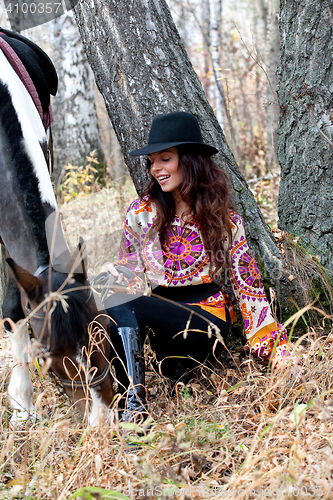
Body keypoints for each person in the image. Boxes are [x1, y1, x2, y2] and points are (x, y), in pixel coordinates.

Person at [100, 111, 290, 419]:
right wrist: (114, 273)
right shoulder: (141, 213)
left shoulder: (223, 219)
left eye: (165, 158)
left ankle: (131, 412)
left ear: (189, 160)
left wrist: (277, 350)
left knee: (125, 304)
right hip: (162, 325)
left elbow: (247, 286)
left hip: (207, 323)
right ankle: (137, 390)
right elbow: (132, 274)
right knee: (115, 300)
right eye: (152, 161)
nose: (156, 169)